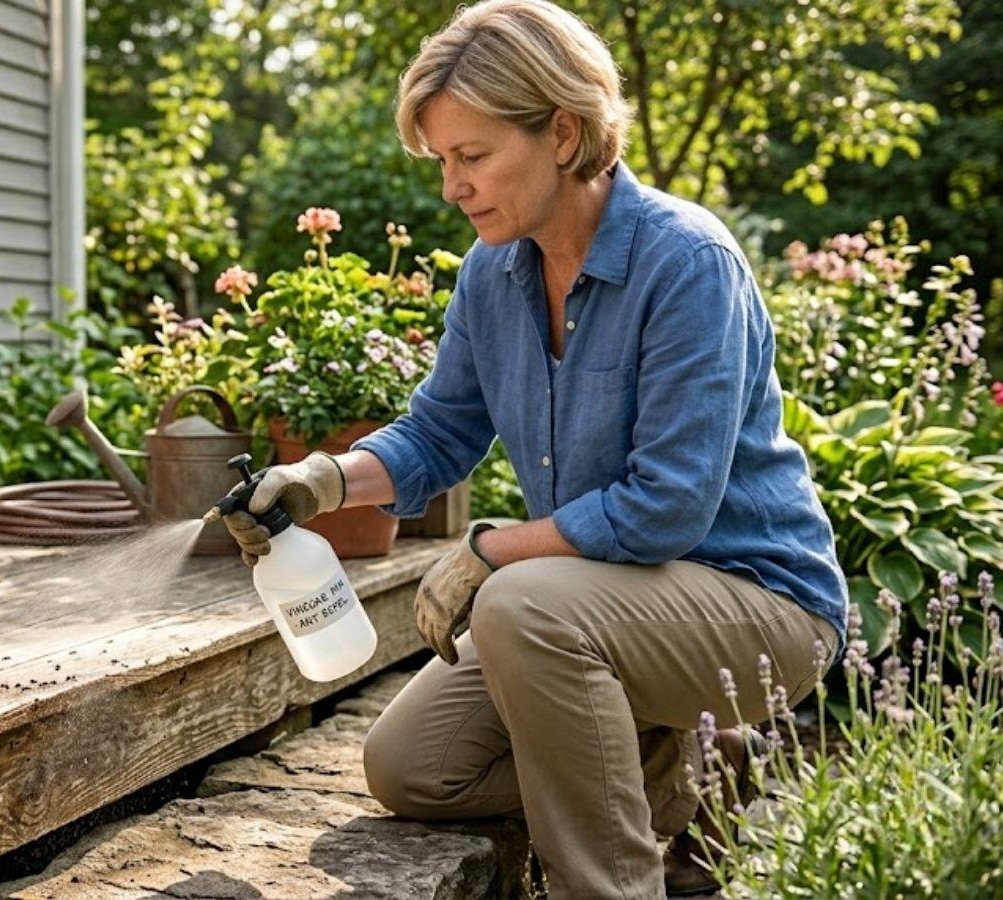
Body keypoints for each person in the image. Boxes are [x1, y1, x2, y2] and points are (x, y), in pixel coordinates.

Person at [218, 1, 848, 896]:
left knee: (518, 604)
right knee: (413, 769)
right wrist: (319, 483)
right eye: (442, 161)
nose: (452, 187)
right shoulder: (493, 272)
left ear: (562, 132)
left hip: (756, 609)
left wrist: (491, 551)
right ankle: (694, 769)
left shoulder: (687, 263)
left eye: (472, 156)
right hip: (601, 606)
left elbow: (666, 507)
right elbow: (439, 431)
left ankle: (610, 885)